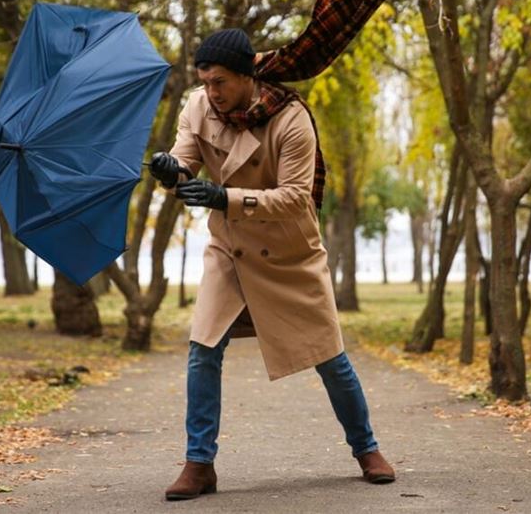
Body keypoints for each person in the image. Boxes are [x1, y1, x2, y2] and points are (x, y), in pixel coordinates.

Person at [149, 28, 395, 501]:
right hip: (231, 250)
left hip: (288, 254)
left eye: (220, 82)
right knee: (204, 348)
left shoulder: (291, 119)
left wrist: (225, 196)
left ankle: (366, 449)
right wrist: (170, 170)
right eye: (205, 81)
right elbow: (186, 160)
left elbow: (296, 198)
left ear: (248, 77)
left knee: (328, 356)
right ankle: (199, 464)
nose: (211, 92)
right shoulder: (199, 106)